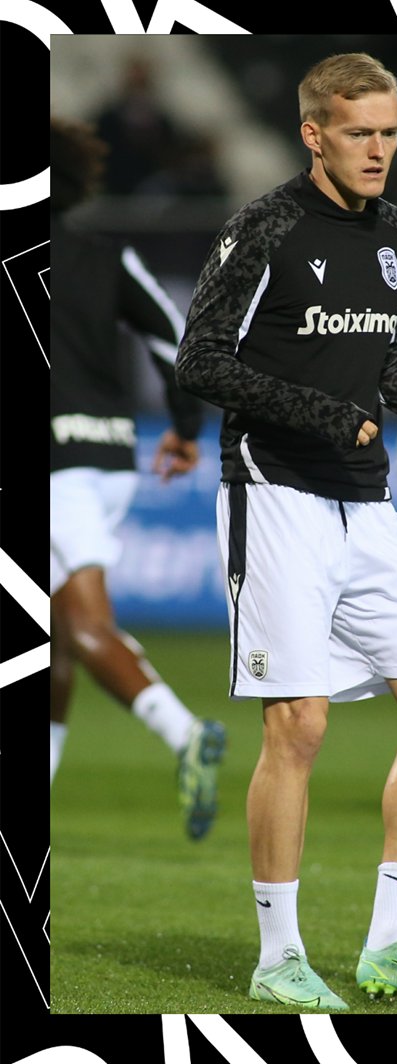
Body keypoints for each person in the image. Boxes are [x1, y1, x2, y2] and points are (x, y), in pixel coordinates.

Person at [175, 52, 397, 1011]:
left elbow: (383, 365)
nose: (378, 150)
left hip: (368, 504)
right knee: (300, 724)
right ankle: (278, 956)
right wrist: (318, 412)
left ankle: (394, 942)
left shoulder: (393, 230)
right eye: (359, 132)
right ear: (313, 133)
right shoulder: (265, 226)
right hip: (275, 493)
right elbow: (199, 358)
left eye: (390, 132)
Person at [49, 117, 227, 841]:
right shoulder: (105, 255)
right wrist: (185, 426)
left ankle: (184, 732)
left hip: (54, 468)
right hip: (109, 459)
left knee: (86, 624)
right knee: (55, 636)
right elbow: (176, 338)